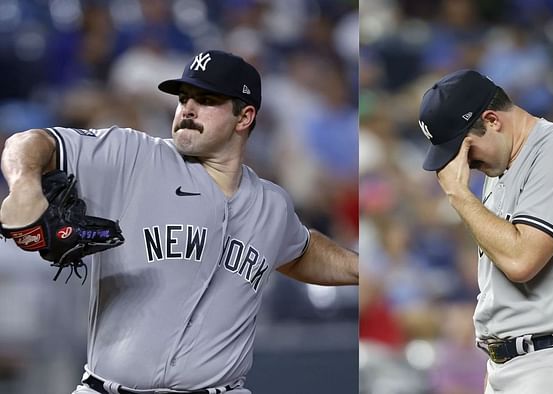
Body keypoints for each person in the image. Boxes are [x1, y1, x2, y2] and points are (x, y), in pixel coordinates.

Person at [0, 50, 358, 394]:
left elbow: (302, 251)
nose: (188, 108)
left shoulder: (271, 205)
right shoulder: (133, 155)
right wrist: (24, 185)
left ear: (244, 117)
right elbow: (29, 142)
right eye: (183, 97)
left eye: (206, 99)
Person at [418, 69, 553, 393]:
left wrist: (458, 194)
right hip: (514, 365)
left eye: (465, 150)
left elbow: (522, 261)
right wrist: (498, 359)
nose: (464, 164)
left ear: (493, 120)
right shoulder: (499, 167)